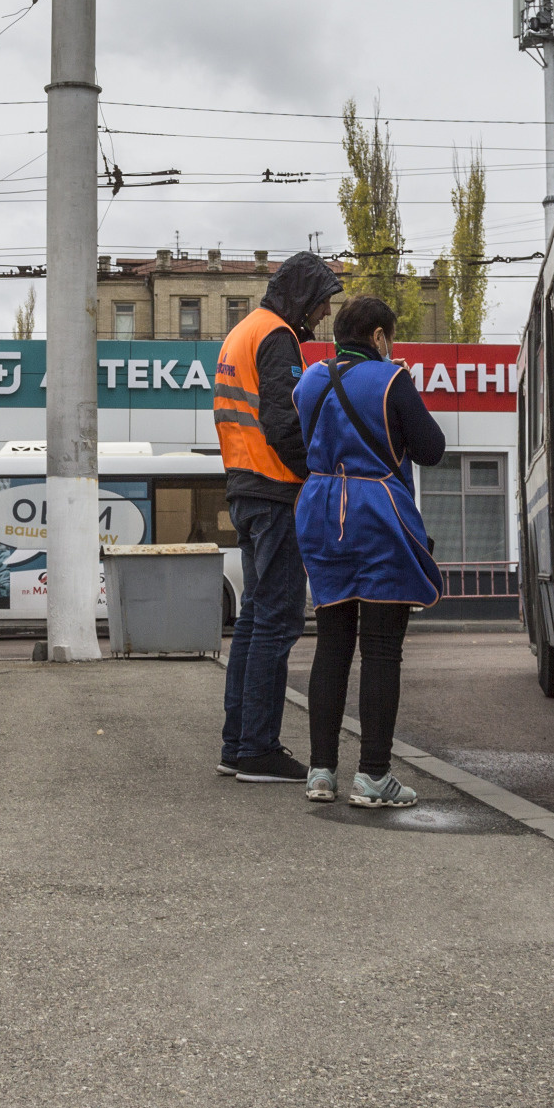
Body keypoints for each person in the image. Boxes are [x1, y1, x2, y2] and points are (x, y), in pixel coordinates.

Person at [293, 292, 444, 807]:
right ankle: (374, 777)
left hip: (319, 509)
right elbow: (432, 449)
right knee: (381, 646)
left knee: (332, 642)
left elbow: (299, 445)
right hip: (376, 511)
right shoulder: (391, 379)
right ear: (380, 337)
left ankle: (320, 773)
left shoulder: (309, 381)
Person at [211, 251, 340, 782]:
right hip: (275, 492)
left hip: (245, 488)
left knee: (254, 621)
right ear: (302, 297)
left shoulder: (244, 330)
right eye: (322, 302)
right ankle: (259, 749)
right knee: (280, 619)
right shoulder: (277, 336)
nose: (325, 315)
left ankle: (238, 745)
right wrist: (316, 472)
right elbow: (284, 421)